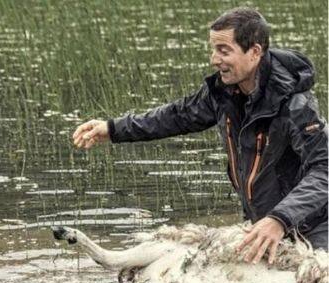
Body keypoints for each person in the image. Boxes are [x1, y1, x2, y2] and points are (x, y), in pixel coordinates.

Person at [72, 7, 327, 264]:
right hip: (261, 228)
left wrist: (279, 219)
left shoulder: (296, 106)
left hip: (314, 229)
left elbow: (325, 168)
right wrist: (113, 128)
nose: (215, 60)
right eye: (213, 49)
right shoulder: (224, 93)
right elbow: (176, 116)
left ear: (255, 52)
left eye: (224, 50)